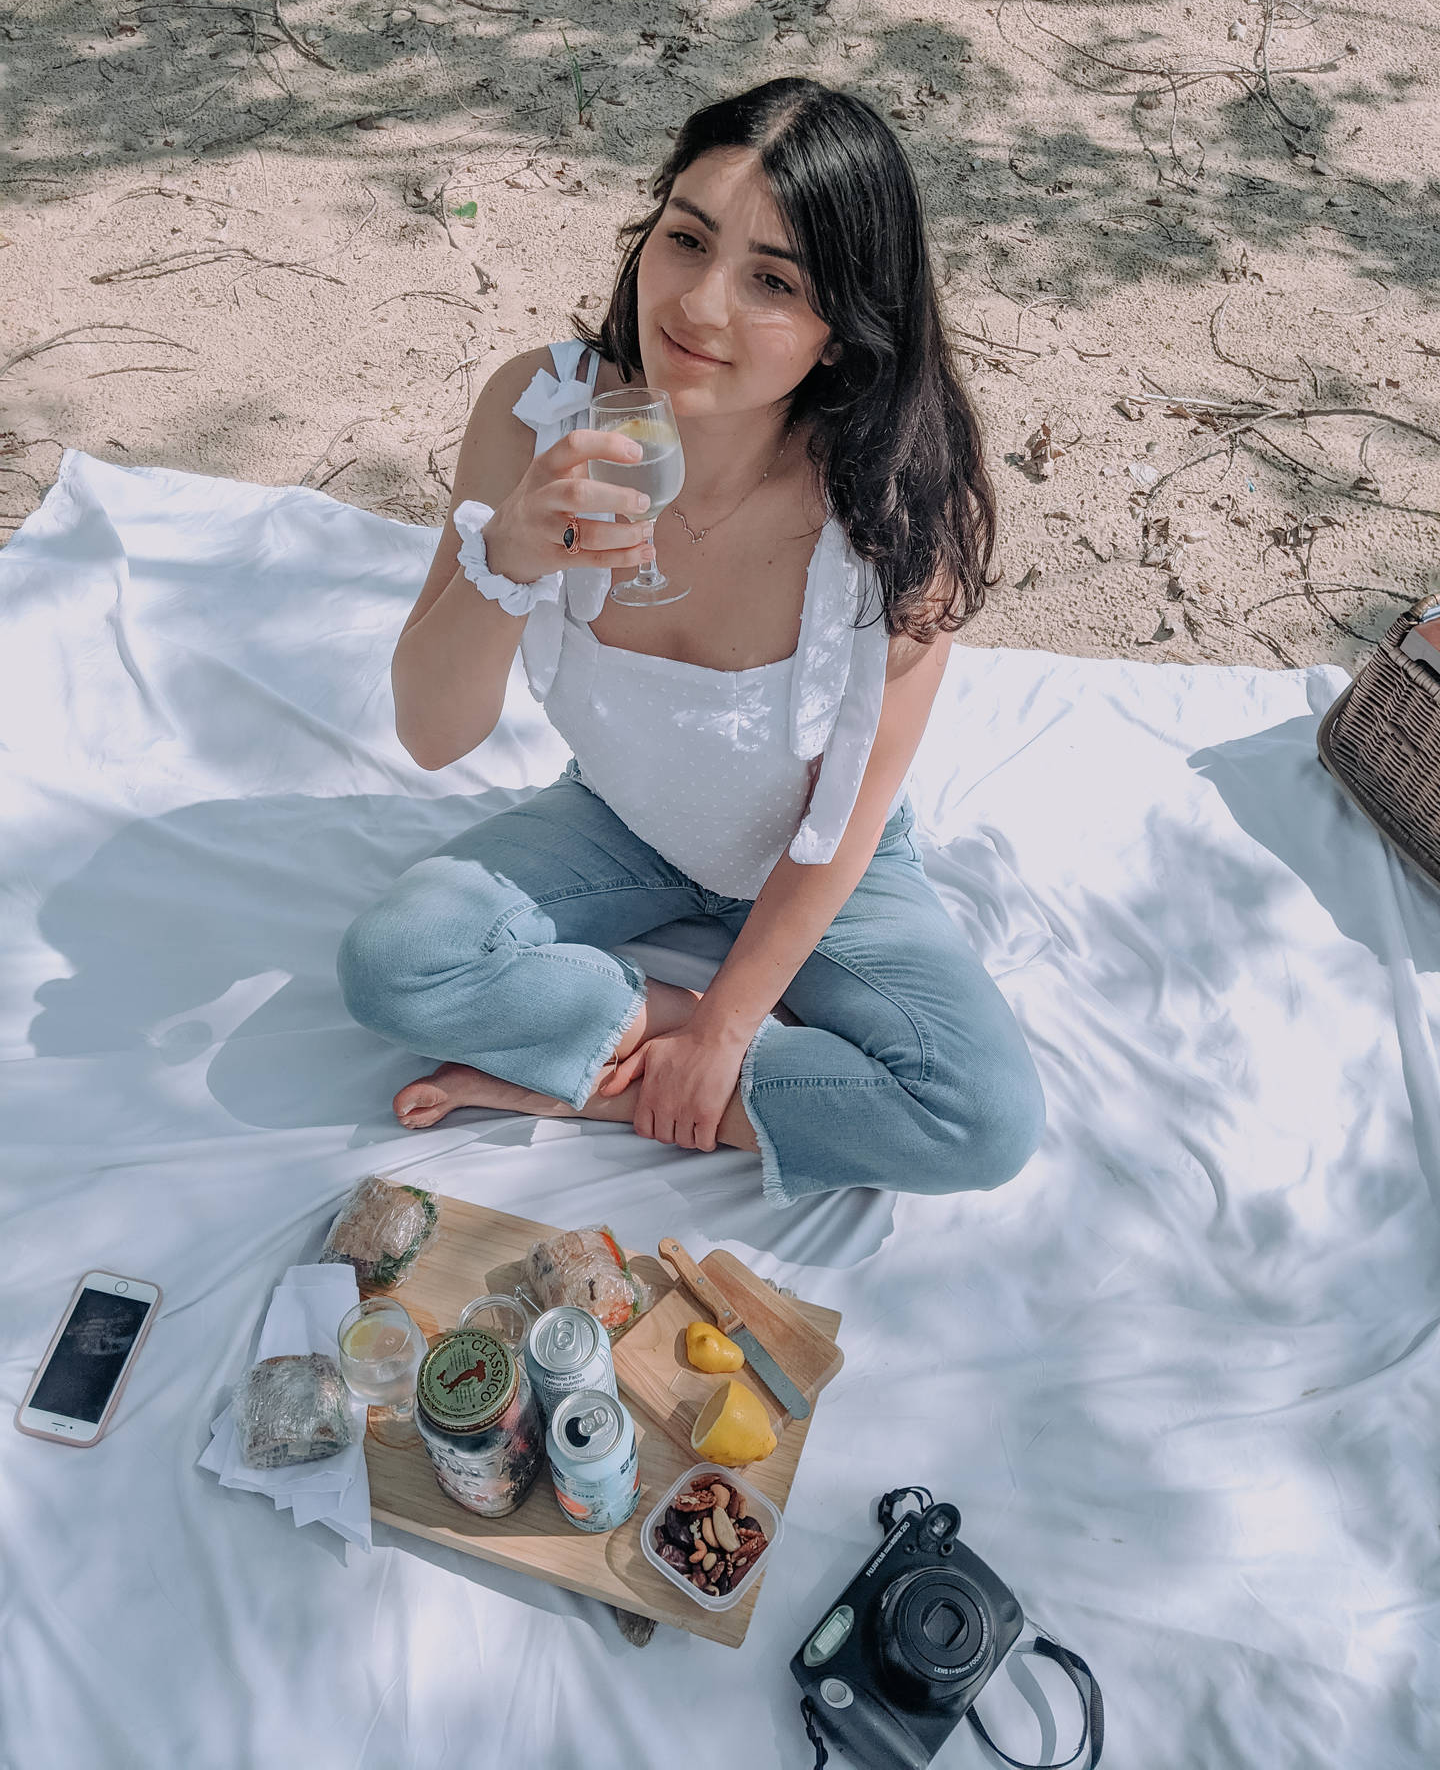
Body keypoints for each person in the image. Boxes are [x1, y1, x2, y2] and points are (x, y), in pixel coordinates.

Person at [337, 76, 1045, 1207]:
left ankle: (598, 1079)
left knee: (981, 1117)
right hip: (622, 817)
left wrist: (721, 1026)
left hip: (815, 858)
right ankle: (646, 1046)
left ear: (838, 330)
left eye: (771, 281)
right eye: (686, 239)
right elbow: (432, 734)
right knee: (392, 963)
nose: (699, 307)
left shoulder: (895, 505)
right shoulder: (537, 413)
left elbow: (850, 813)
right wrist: (510, 556)